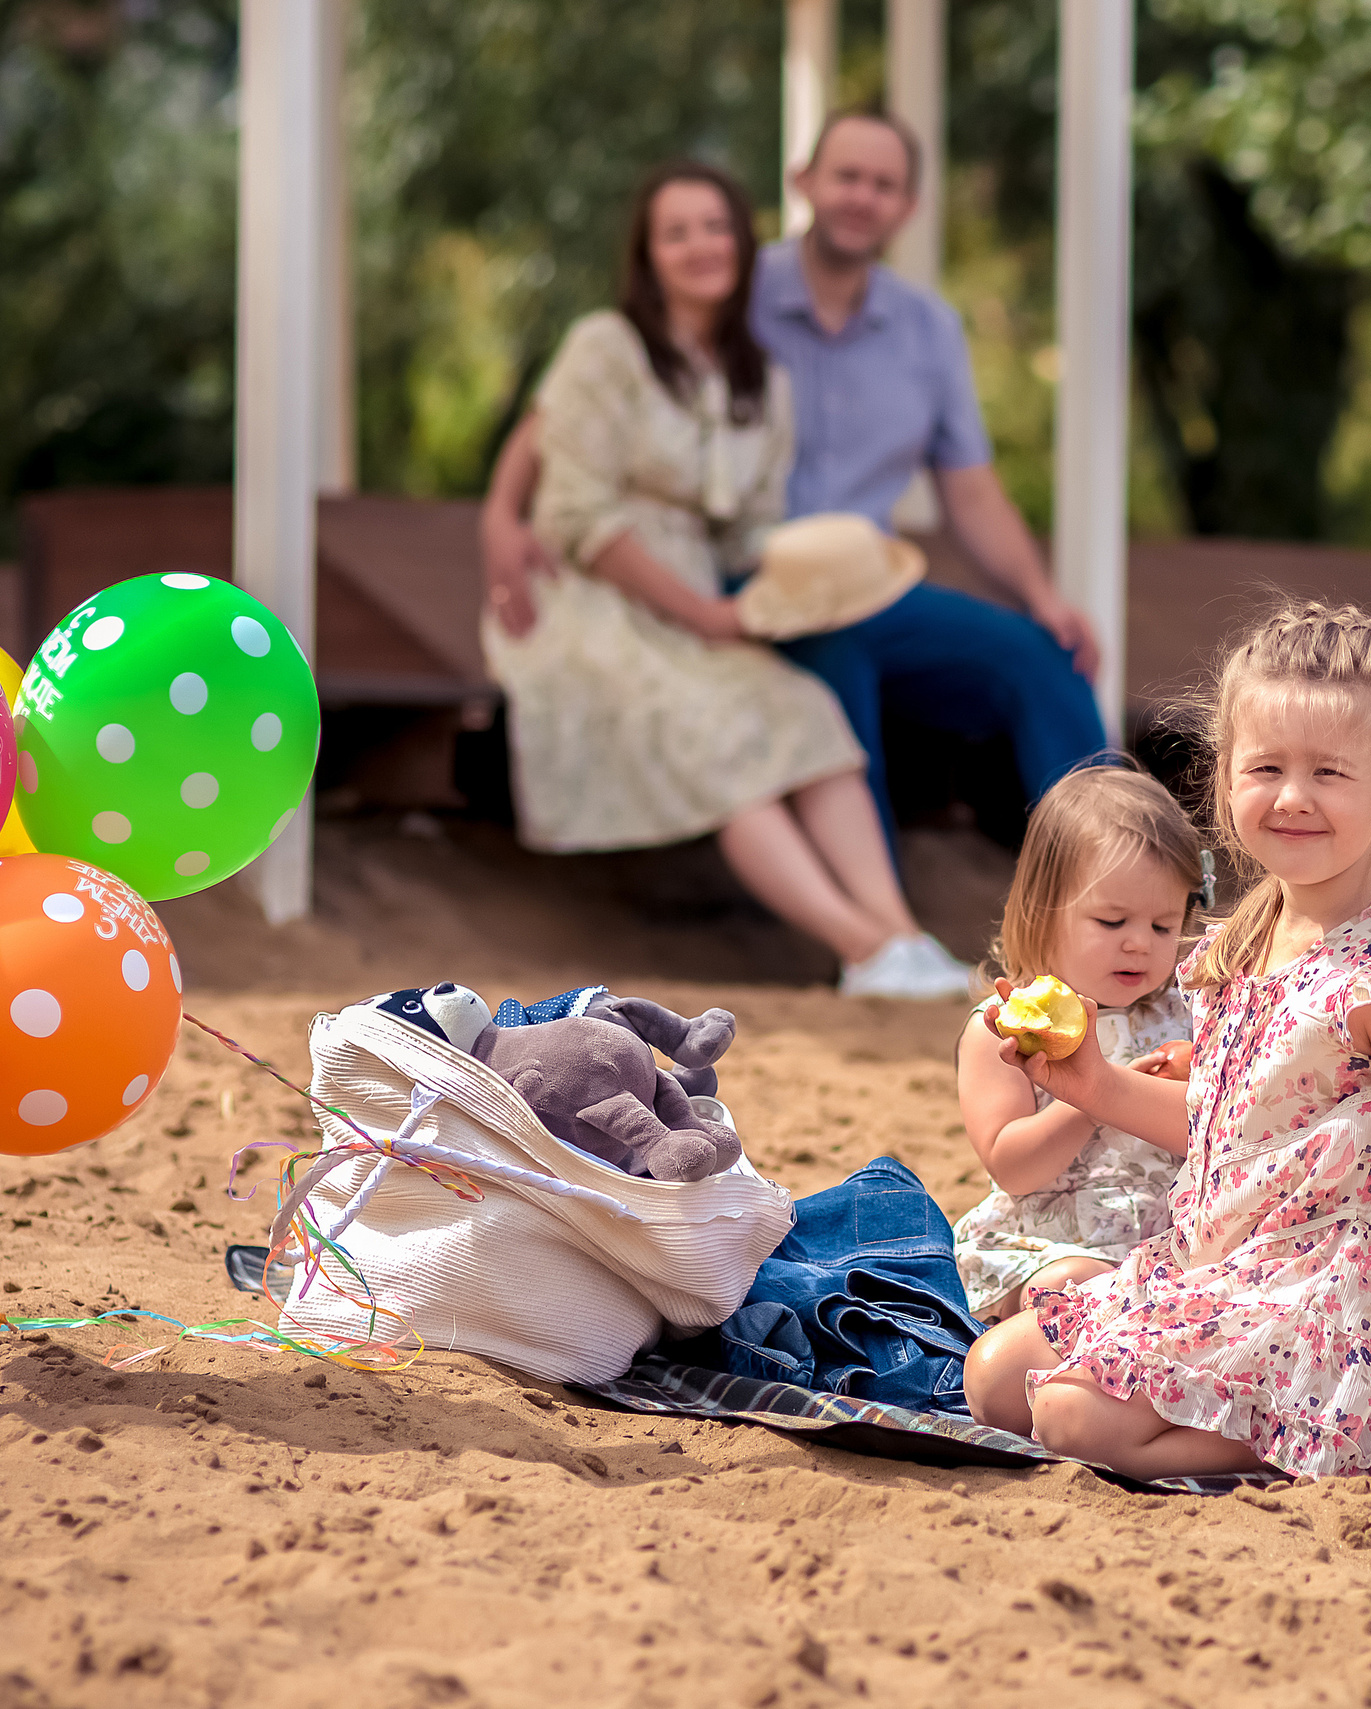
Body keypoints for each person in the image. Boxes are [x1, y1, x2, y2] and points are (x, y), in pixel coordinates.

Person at [959, 602, 1371, 1522]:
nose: (1292, 797)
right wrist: (1097, 1088)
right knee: (994, 1377)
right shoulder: (1244, 937)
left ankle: (1360, 1436)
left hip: (1335, 1299)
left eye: (1329, 773)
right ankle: (1262, 1420)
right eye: (1264, 767)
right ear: (1224, 777)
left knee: (1069, 1412)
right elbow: (1227, 1128)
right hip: (1222, 1265)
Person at [480, 110, 1108, 847]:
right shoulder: (729, 282)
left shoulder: (929, 328)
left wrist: (1040, 595)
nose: (861, 197)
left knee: (1041, 660)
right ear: (803, 181)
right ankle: (885, 940)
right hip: (748, 580)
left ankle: (1111, 886)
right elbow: (567, 411)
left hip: (868, 584)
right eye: (846, 176)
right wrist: (500, 518)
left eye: (883, 184)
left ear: (908, 207)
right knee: (831, 676)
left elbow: (970, 489)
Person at [480, 160, 969, 1000]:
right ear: (649, 252)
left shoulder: (760, 379)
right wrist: (699, 612)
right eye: (677, 232)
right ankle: (860, 949)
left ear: (744, 244)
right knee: (716, 732)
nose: (700, 246)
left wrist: (811, 576)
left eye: (715, 228)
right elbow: (582, 517)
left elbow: (746, 529)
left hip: (700, 598)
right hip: (597, 601)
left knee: (808, 713)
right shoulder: (609, 346)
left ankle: (901, 938)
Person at [952, 765, 1203, 1323]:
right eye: (1112, 921)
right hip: (1054, 1247)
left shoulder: (1185, 1011)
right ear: (1043, 913)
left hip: (1174, 1246)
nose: (1140, 943)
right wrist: (1092, 1098)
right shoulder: (1006, 1025)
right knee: (1074, 1286)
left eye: (1165, 926)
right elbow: (1013, 1166)